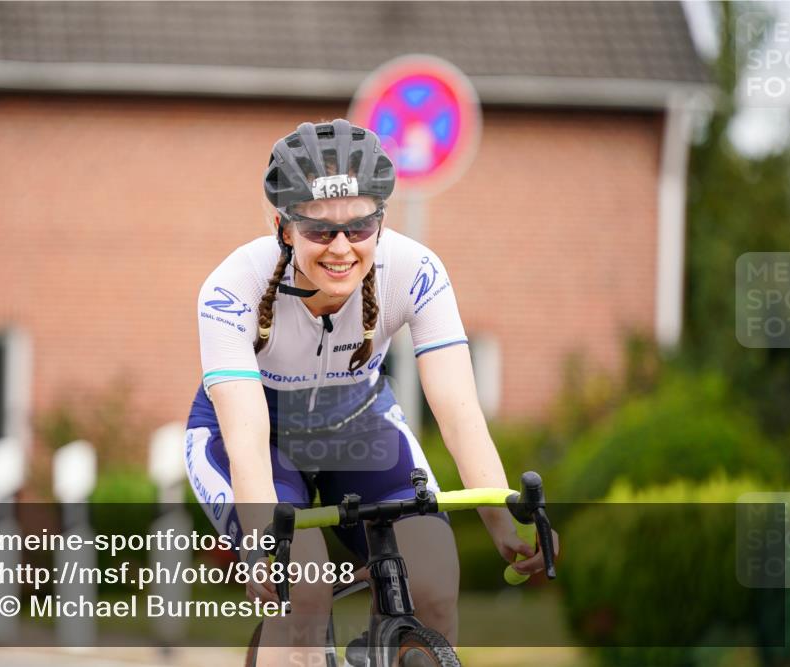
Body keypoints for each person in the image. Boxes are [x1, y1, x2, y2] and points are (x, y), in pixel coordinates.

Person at [184, 119, 557, 664]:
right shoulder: (231, 287)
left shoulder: (415, 270)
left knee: (432, 579)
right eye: (319, 230)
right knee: (303, 589)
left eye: (359, 228)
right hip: (253, 438)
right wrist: (264, 544)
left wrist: (502, 518)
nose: (341, 247)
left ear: (380, 223)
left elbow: (457, 411)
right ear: (284, 226)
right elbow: (245, 435)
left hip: (356, 422)